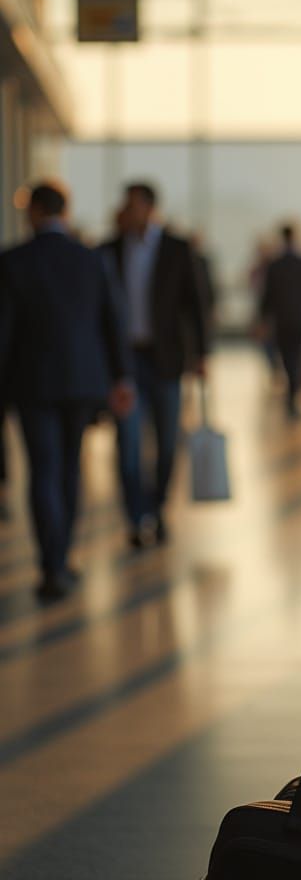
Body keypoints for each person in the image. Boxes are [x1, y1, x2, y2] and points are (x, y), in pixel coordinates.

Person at [0, 181, 133, 600]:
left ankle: (51, 565)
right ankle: (64, 558)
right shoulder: (90, 259)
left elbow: (3, 332)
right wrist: (120, 377)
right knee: (69, 469)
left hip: (31, 382)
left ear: (35, 211)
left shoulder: (13, 261)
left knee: (43, 470)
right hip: (82, 381)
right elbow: (113, 321)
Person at [103, 182, 208, 548]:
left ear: (149, 207)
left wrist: (202, 355)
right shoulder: (110, 250)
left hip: (165, 361)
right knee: (128, 443)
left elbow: (196, 305)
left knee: (166, 443)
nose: (126, 212)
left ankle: (158, 508)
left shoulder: (177, 249)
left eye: (132, 205)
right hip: (126, 363)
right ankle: (136, 517)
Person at [260, 223, 301, 417]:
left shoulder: (274, 264)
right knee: (297, 357)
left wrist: (263, 317)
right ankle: (293, 394)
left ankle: (291, 392)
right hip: (300, 319)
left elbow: (267, 295)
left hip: (281, 320)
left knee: (287, 358)